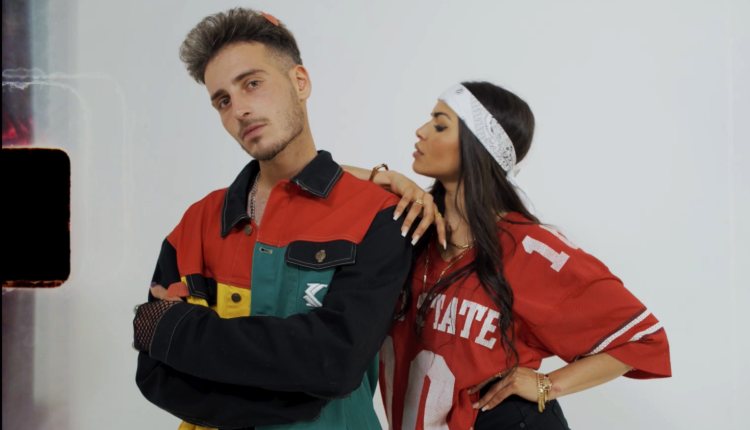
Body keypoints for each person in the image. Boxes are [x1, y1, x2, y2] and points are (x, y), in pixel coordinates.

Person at [131, 8, 427, 429]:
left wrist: (176, 330)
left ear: (299, 82)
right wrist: (296, 398)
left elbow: (335, 362)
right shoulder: (196, 222)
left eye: (252, 83)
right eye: (223, 100)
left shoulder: (378, 214)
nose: (239, 110)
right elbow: (155, 377)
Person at [349, 81, 672, 429]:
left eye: (440, 125)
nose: (421, 131)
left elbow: (644, 338)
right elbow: (311, 176)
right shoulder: (407, 225)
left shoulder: (530, 249)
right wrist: (386, 178)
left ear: (478, 145)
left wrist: (548, 384)